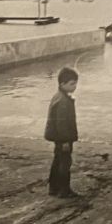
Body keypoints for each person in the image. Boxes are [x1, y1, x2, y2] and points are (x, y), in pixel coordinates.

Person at [44, 67, 80, 198]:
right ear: (62, 84)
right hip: (63, 138)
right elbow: (62, 123)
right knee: (65, 163)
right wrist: (65, 140)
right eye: (72, 84)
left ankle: (53, 187)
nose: (75, 86)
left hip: (57, 136)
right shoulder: (64, 101)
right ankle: (64, 190)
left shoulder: (58, 97)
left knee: (57, 160)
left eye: (75, 83)